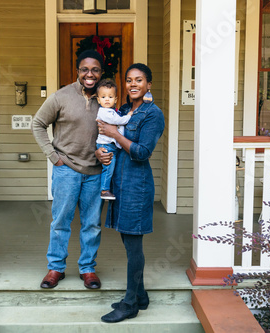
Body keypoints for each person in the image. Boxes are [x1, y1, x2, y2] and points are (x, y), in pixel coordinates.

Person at [95, 63, 165, 323]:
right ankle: (142, 295)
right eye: (129, 80)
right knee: (128, 242)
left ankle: (130, 303)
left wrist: (114, 133)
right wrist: (99, 152)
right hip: (119, 183)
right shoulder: (122, 110)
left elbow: (141, 152)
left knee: (134, 245)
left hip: (137, 186)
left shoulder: (152, 114)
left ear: (149, 85)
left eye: (139, 80)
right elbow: (106, 139)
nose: (133, 84)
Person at [32, 50, 104, 290]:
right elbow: (38, 124)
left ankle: (88, 269)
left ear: (101, 73)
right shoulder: (60, 97)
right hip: (66, 170)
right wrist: (53, 156)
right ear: (77, 71)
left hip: (95, 172)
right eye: (85, 69)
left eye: (95, 69)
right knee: (61, 220)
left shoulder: (106, 99)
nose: (89, 74)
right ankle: (56, 268)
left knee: (92, 223)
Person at [95, 78, 133, 200]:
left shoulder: (112, 111)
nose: (107, 99)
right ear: (98, 99)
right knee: (109, 167)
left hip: (110, 144)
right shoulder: (104, 112)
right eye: (104, 97)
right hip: (106, 145)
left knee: (111, 168)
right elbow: (117, 121)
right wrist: (129, 116)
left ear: (115, 99)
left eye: (110, 97)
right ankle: (104, 190)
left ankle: (107, 188)